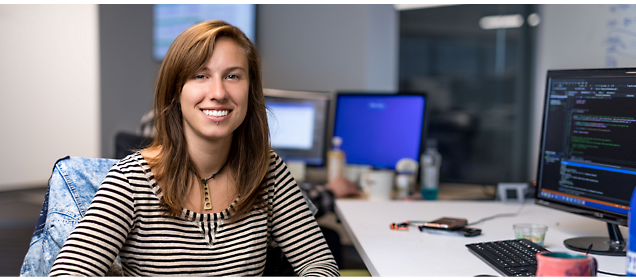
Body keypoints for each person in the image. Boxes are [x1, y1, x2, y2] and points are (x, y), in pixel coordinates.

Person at [49, 20, 339, 277]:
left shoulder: (267, 171)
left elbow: (320, 265)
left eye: (233, 76)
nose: (218, 93)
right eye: (200, 75)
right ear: (176, 91)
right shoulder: (131, 181)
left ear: (251, 90)